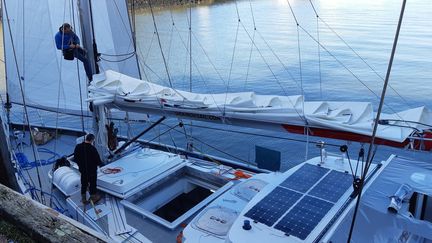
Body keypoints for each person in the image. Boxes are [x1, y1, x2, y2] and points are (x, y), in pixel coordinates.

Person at [73, 133, 102, 204]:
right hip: (91, 171)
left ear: (86, 139)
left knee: (84, 183)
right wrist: (100, 164)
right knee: (92, 184)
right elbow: (98, 161)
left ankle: (83, 199)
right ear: (92, 140)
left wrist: (80, 164)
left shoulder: (78, 147)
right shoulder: (93, 149)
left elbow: (75, 158)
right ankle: (93, 197)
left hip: (83, 170)